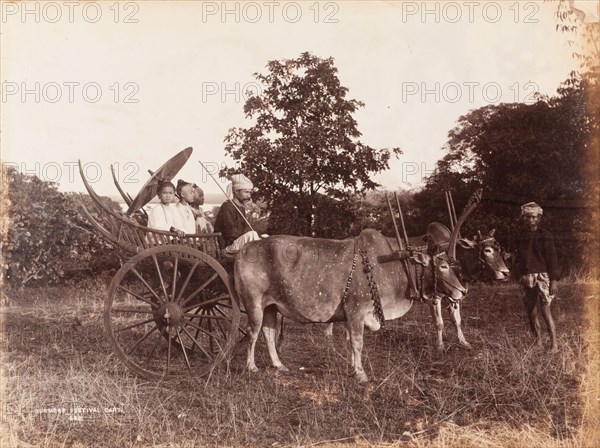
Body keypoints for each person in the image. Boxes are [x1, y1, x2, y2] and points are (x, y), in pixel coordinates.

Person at [513, 202, 560, 352]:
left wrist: (553, 281)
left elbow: (552, 259)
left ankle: (554, 345)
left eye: (533, 217)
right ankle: (537, 343)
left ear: (539, 217)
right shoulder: (521, 235)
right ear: (524, 218)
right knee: (531, 312)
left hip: (542, 277)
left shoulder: (545, 235)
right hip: (526, 277)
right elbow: (518, 257)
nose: (530, 220)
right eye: (527, 217)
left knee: (545, 311)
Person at [213, 173, 261, 254]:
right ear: (236, 191)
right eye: (246, 192)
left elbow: (244, 228)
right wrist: (247, 233)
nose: (248, 195)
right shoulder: (227, 207)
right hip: (228, 247)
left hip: (237, 242)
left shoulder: (241, 207)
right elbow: (230, 234)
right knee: (252, 235)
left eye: (249, 193)